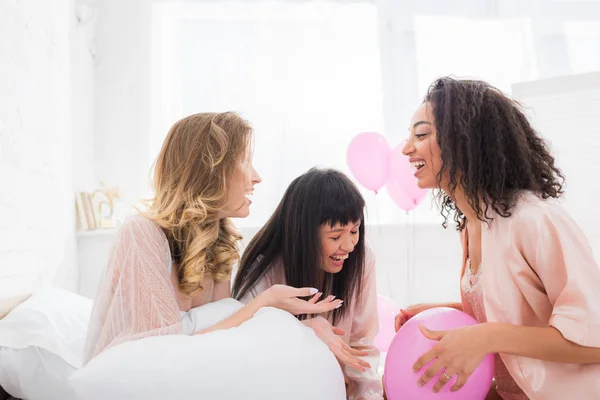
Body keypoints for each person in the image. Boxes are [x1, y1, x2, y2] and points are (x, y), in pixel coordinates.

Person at [394, 77, 600, 400]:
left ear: (463, 140)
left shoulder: (534, 220)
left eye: (420, 134)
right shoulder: (471, 225)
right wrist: (439, 313)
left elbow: (593, 337)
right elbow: (515, 313)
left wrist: (486, 336)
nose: (407, 149)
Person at [83, 112, 342, 363]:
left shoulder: (218, 242)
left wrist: (300, 328)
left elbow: (224, 335)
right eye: (245, 161)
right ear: (211, 170)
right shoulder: (141, 232)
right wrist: (264, 302)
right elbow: (159, 353)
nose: (257, 177)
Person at [232, 168, 383, 400]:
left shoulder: (362, 257)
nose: (349, 245)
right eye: (335, 236)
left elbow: (361, 341)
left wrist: (367, 396)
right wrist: (303, 331)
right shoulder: (267, 267)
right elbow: (245, 345)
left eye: (354, 231)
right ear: (303, 234)